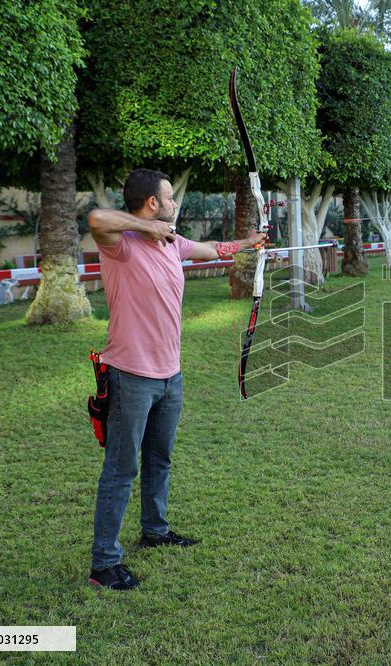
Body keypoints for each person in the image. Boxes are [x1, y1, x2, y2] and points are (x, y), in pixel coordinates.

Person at [86, 168, 265, 590]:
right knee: (120, 468)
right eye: (169, 199)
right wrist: (146, 227)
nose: (174, 205)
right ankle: (104, 564)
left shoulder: (171, 243)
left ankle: (155, 530)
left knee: (159, 459)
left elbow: (208, 249)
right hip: (131, 376)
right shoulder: (122, 247)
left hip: (170, 376)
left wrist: (248, 244)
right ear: (152, 204)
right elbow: (96, 219)